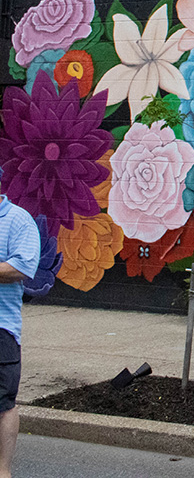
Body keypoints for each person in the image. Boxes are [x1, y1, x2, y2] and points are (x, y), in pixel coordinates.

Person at [0, 194, 40, 478]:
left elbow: (22, 267)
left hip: (2, 328)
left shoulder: (17, 220)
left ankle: (3, 471)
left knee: (3, 403)